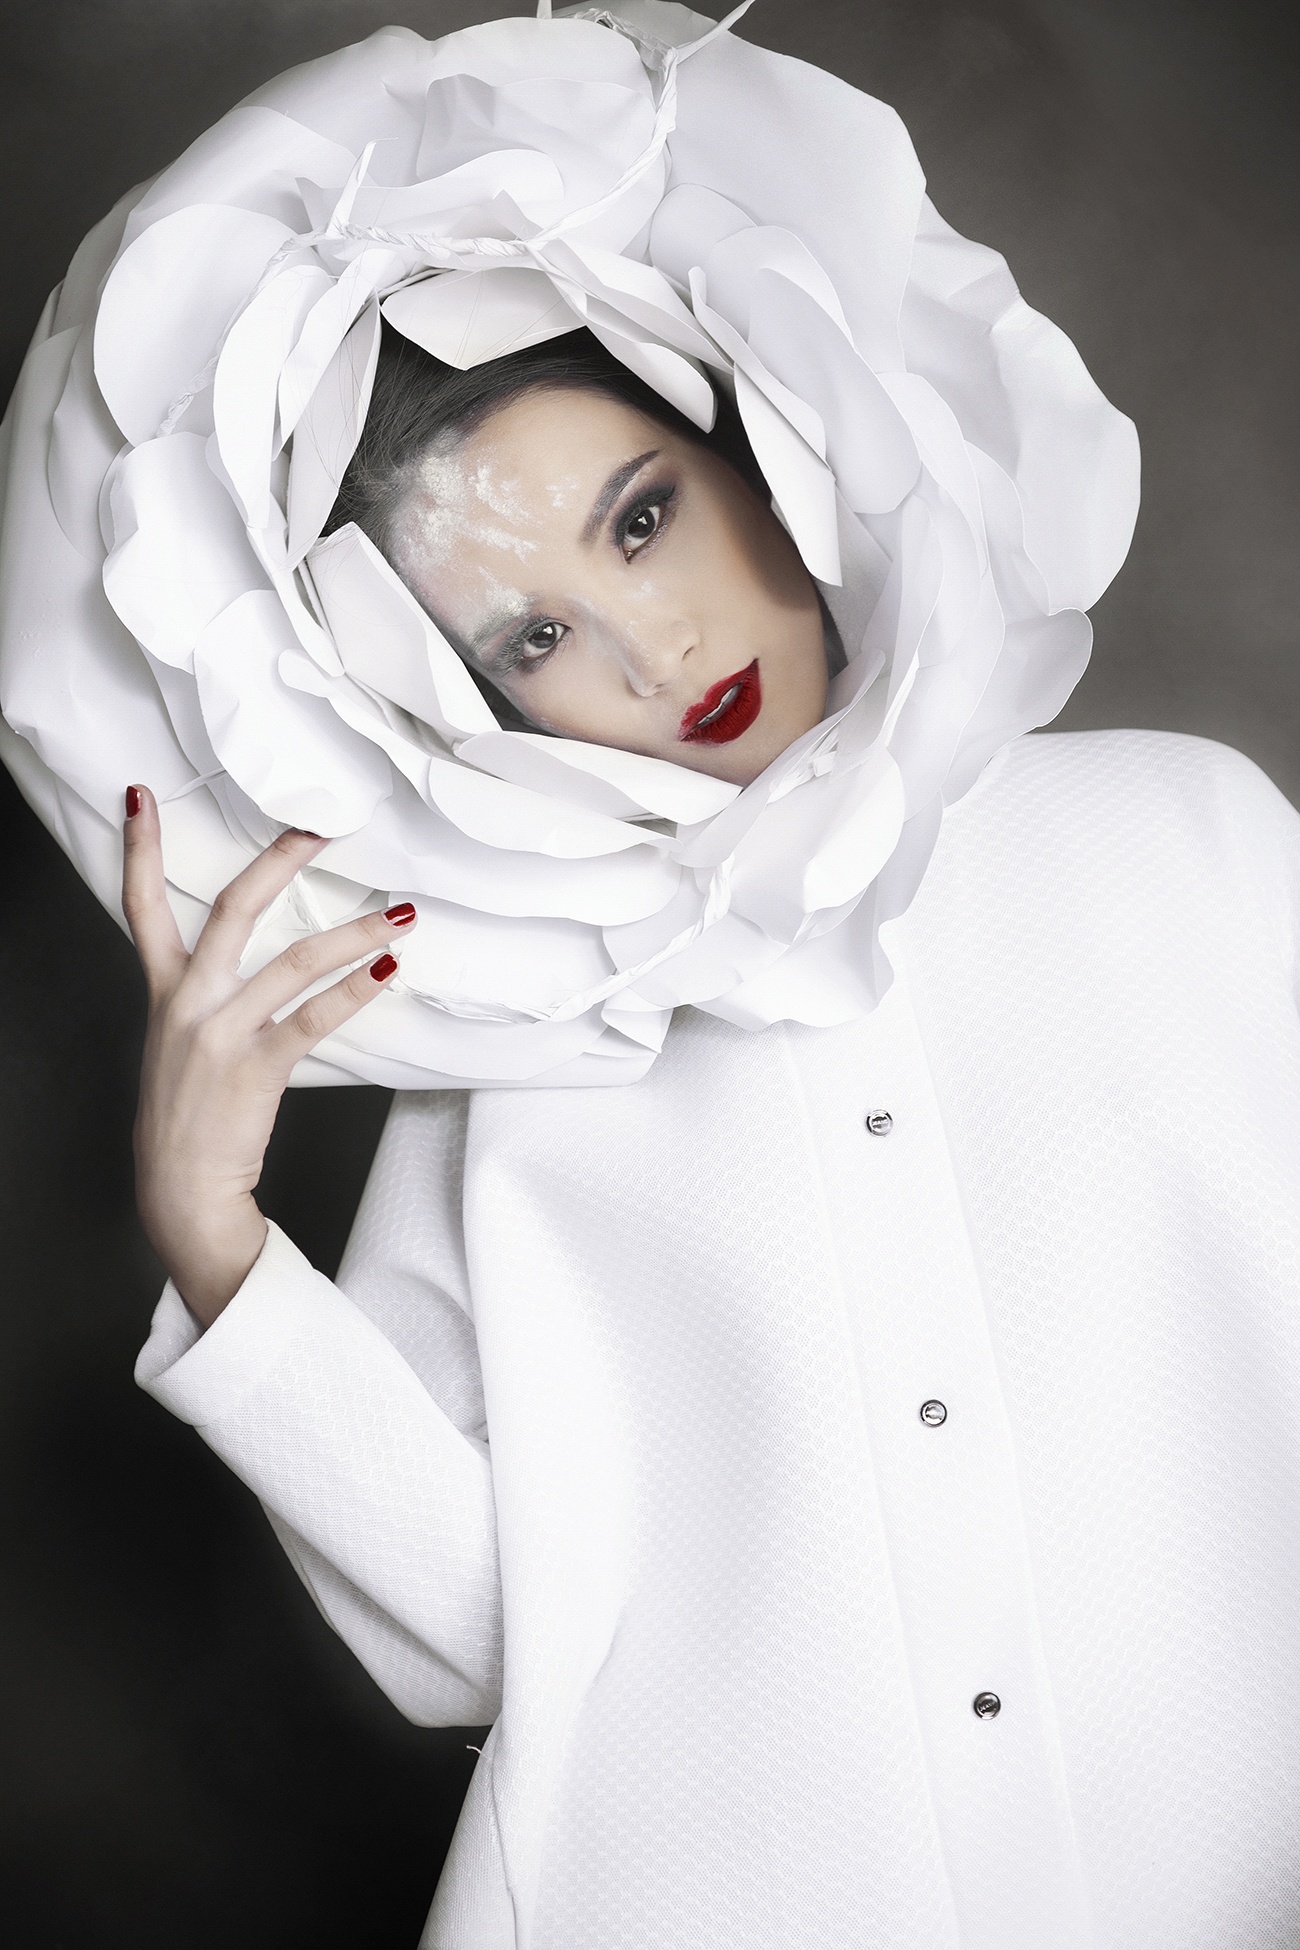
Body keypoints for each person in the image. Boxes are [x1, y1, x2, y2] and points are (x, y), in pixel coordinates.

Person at [3, 4, 1298, 1946]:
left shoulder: (1184, 839)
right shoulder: (506, 1079)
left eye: (639, 517)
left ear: (752, 440)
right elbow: (480, 1653)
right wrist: (216, 1237)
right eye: (531, 641)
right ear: (462, 710)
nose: (645, 650)